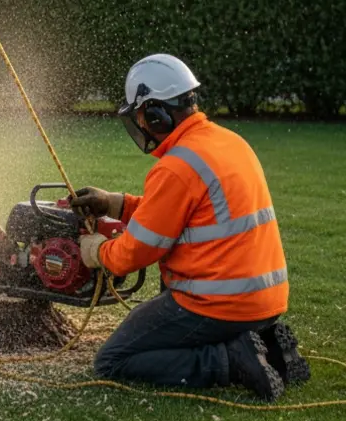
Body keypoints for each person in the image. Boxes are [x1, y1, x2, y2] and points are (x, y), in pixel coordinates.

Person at [70, 53, 310, 401]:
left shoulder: (178, 166)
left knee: (113, 359)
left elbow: (135, 252)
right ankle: (268, 347)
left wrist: (96, 252)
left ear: (157, 113)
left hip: (216, 304)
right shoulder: (229, 143)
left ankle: (229, 360)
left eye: (142, 117)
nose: (142, 125)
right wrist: (115, 203)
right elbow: (175, 217)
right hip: (263, 301)